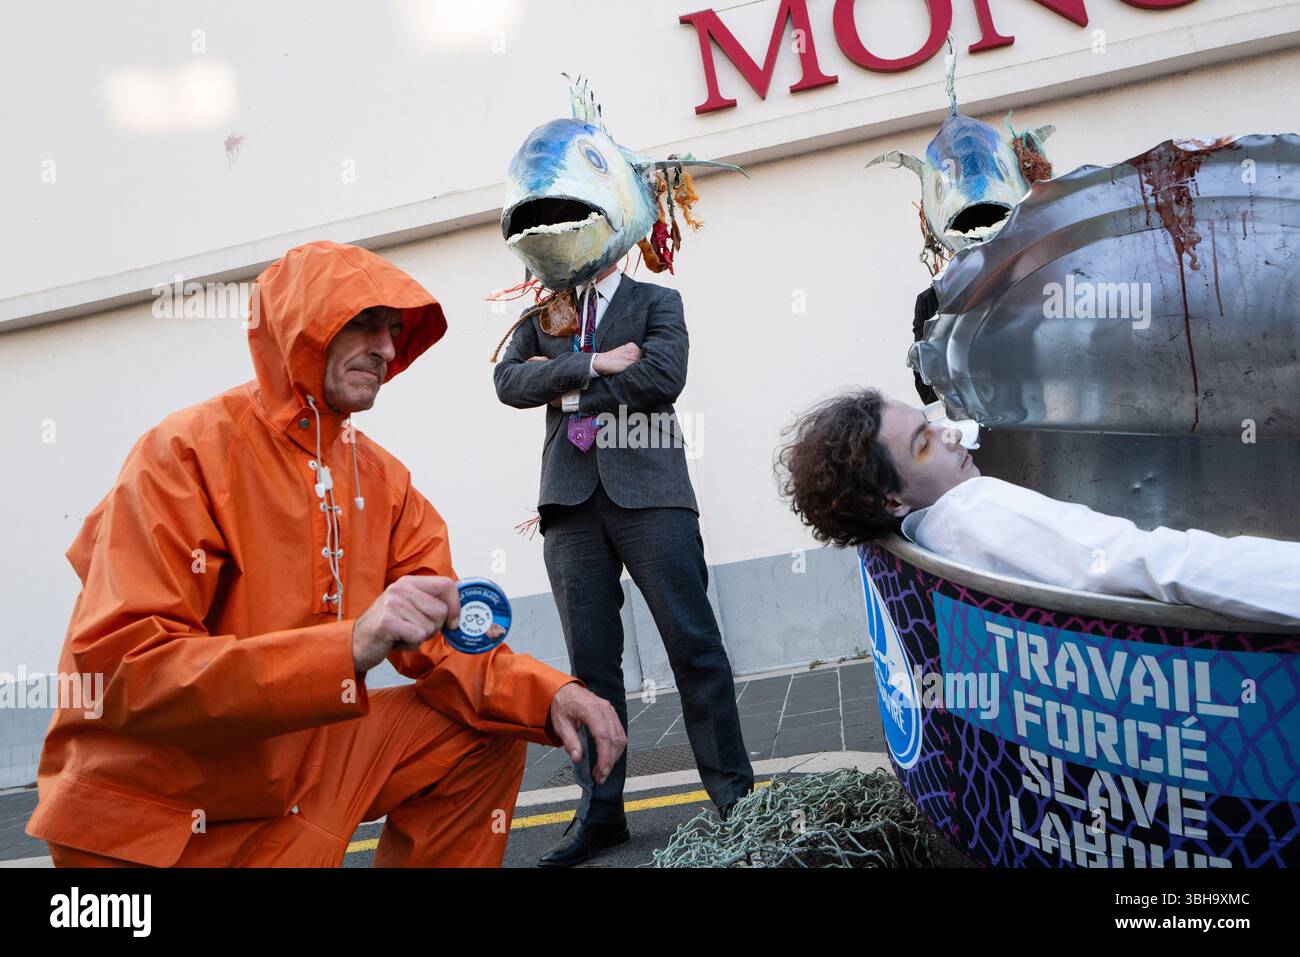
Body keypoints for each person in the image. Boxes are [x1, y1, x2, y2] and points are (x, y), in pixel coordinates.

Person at [26, 240, 624, 868]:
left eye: (393, 329)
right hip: (156, 812)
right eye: (364, 322)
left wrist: (550, 693)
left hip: (289, 769)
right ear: (298, 327)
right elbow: (129, 675)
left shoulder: (382, 481)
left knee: (485, 732)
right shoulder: (184, 454)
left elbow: (445, 637)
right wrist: (350, 647)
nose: (389, 348)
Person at [493, 264, 754, 867]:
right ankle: (600, 815)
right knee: (589, 670)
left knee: (695, 648)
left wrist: (557, 383)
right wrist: (598, 363)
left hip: (653, 495)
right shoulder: (544, 310)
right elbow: (507, 382)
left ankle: (735, 803)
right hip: (568, 502)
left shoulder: (658, 299)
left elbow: (664, 376)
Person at [776, 389, 1300, 626]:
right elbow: (1154, 563)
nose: (952, 434)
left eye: (932, 421)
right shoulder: (975, 508)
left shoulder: (925, 531)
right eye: (924, 442)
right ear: (889, 499)